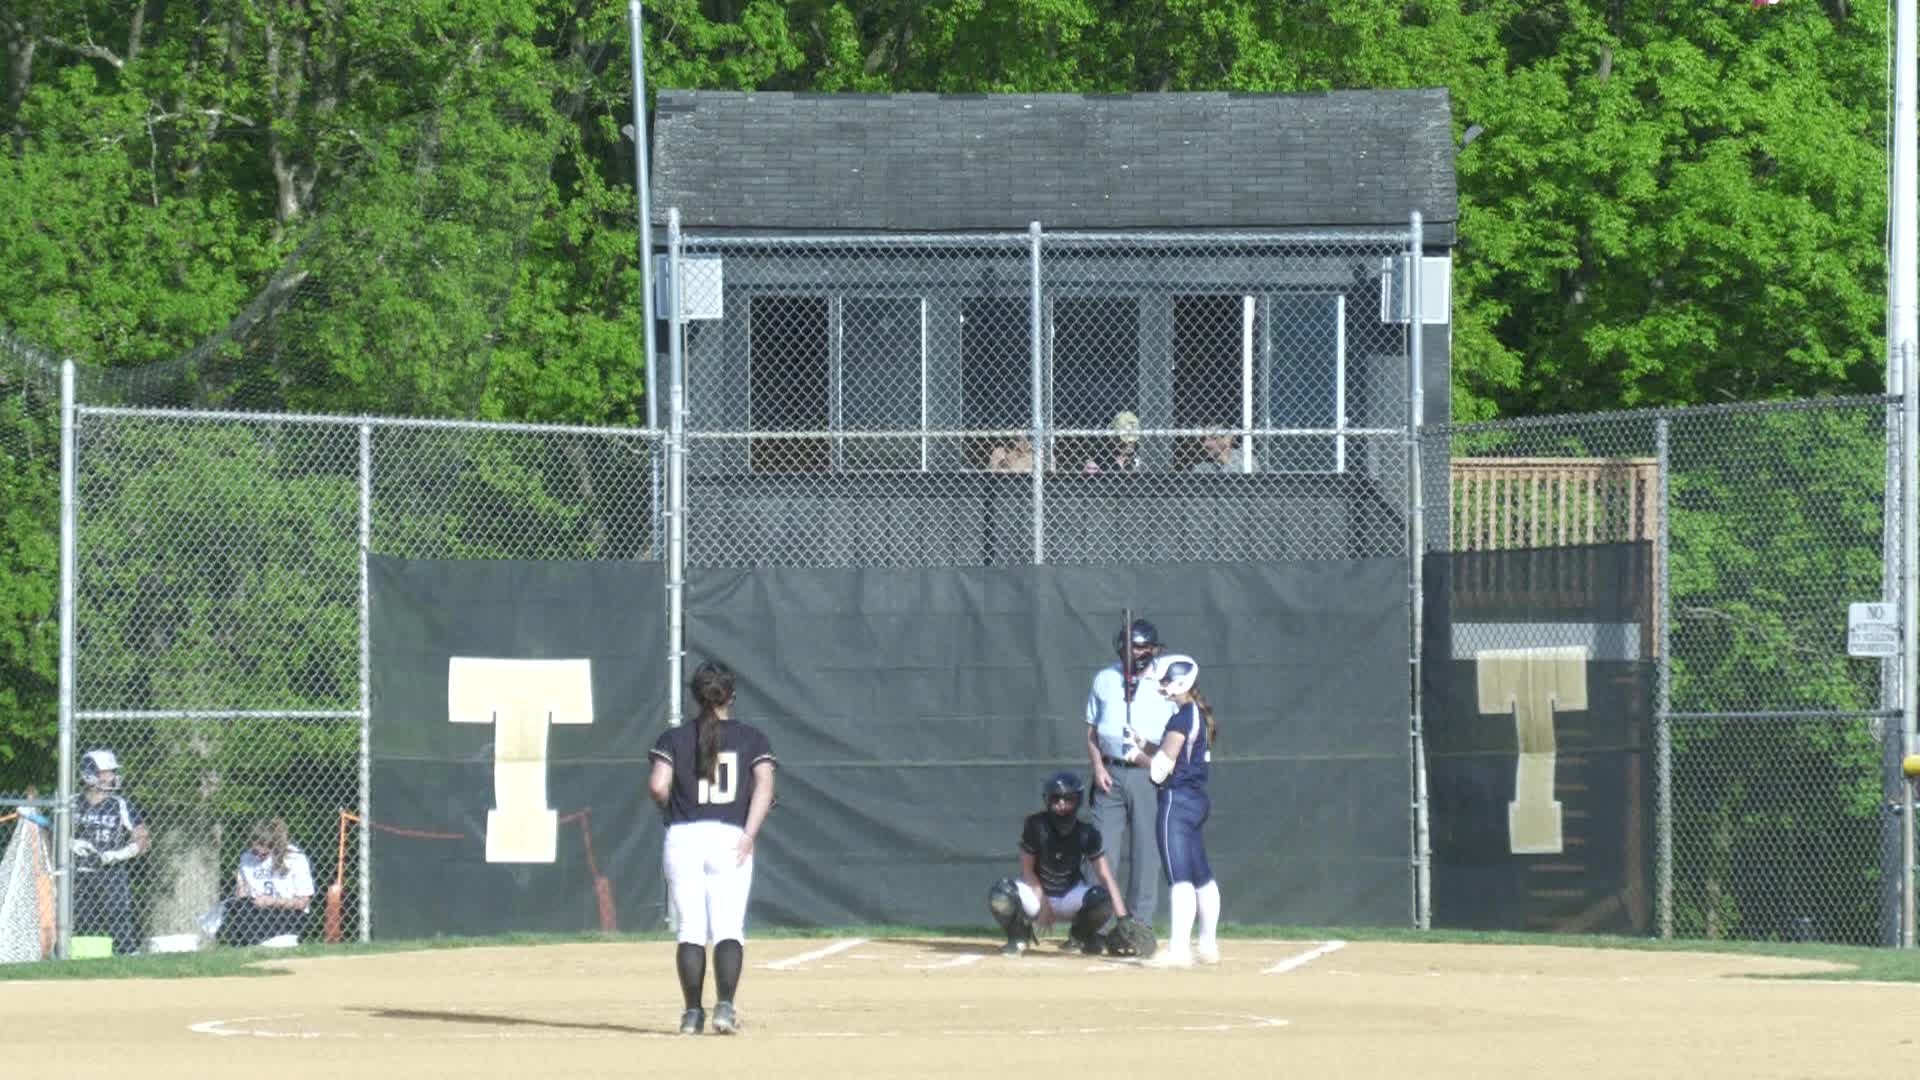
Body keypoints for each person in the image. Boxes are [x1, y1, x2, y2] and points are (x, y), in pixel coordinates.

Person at [648, 660, 777, 1037]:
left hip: (684, 836)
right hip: (729, 837)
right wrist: (750, 834)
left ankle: (691, 1014)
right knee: (728, 927)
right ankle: (724, 1008)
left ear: (694, 697)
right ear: (731, 696)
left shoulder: (673, 738)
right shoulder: (752, 739)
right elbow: (765, 785)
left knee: (690, 929)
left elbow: (658, 785)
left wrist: (670, 810)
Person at [1083, 618, 1175, 930]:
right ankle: (1098, 923)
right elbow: (1093, 731)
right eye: (1127, 647)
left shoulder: (1166, 682)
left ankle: (1139, 923)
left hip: (1147, 774)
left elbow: (1180, 731)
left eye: (1138, 647)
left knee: (1147, 850)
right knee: (1100, 850)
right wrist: (1097, 767)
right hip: (1110, 772)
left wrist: (1161, 764)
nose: (1131, 653)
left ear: (1151, 649)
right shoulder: (1105, 679)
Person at [986, 771, 1130, 957]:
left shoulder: (1087, 833)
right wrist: (1044, 904)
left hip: (1068, 896)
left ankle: (1080, 936)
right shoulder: (1035, 825)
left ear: (1077, 800)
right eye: (1056, 799)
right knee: (1001, 893)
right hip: (1037, 896)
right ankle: (1019, 937)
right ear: (1047, 800)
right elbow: (1028, 872)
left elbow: (1105, 875)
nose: (1061, 804)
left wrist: (1123, 918)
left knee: (1101, 899)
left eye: (1067, 799)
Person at [1137, 654, 1222, 968]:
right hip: (1196, 799)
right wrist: (1145, 743)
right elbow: (1174, 753)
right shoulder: (1194, 713)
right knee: (1201, 873)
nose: (1161, 685)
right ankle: (1208, 946)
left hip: (1177, 800)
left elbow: (1161, 769)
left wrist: (1136, 755)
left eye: (1164, 680)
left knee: (1179, 877)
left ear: (1181, 681)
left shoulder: (1182, 717)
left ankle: (1178, 950)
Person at [71, 748, 148, 955]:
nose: (112, 776)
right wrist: (70, 843)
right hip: (79, 871)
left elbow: (142, 838)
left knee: (118, 915)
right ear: (90, 773)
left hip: (110, 871)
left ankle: (128, 954)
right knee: (81, 918)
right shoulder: (73, 803)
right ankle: (84, 957)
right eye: (107, 772)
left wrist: (119, 854)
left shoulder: (120, 804)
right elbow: (54, 833)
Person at [211, 818, 315, 946]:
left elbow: (303, 903)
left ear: (273, 844)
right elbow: (243, 896)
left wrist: (272, 902)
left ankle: (264, 943)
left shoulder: (295, 858)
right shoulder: (246, 858)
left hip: (288, 913)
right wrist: (241, 890)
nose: (258, 856)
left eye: (264, 854)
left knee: (254, 918)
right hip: (255, 912)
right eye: (255, 852)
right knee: (236, 910)